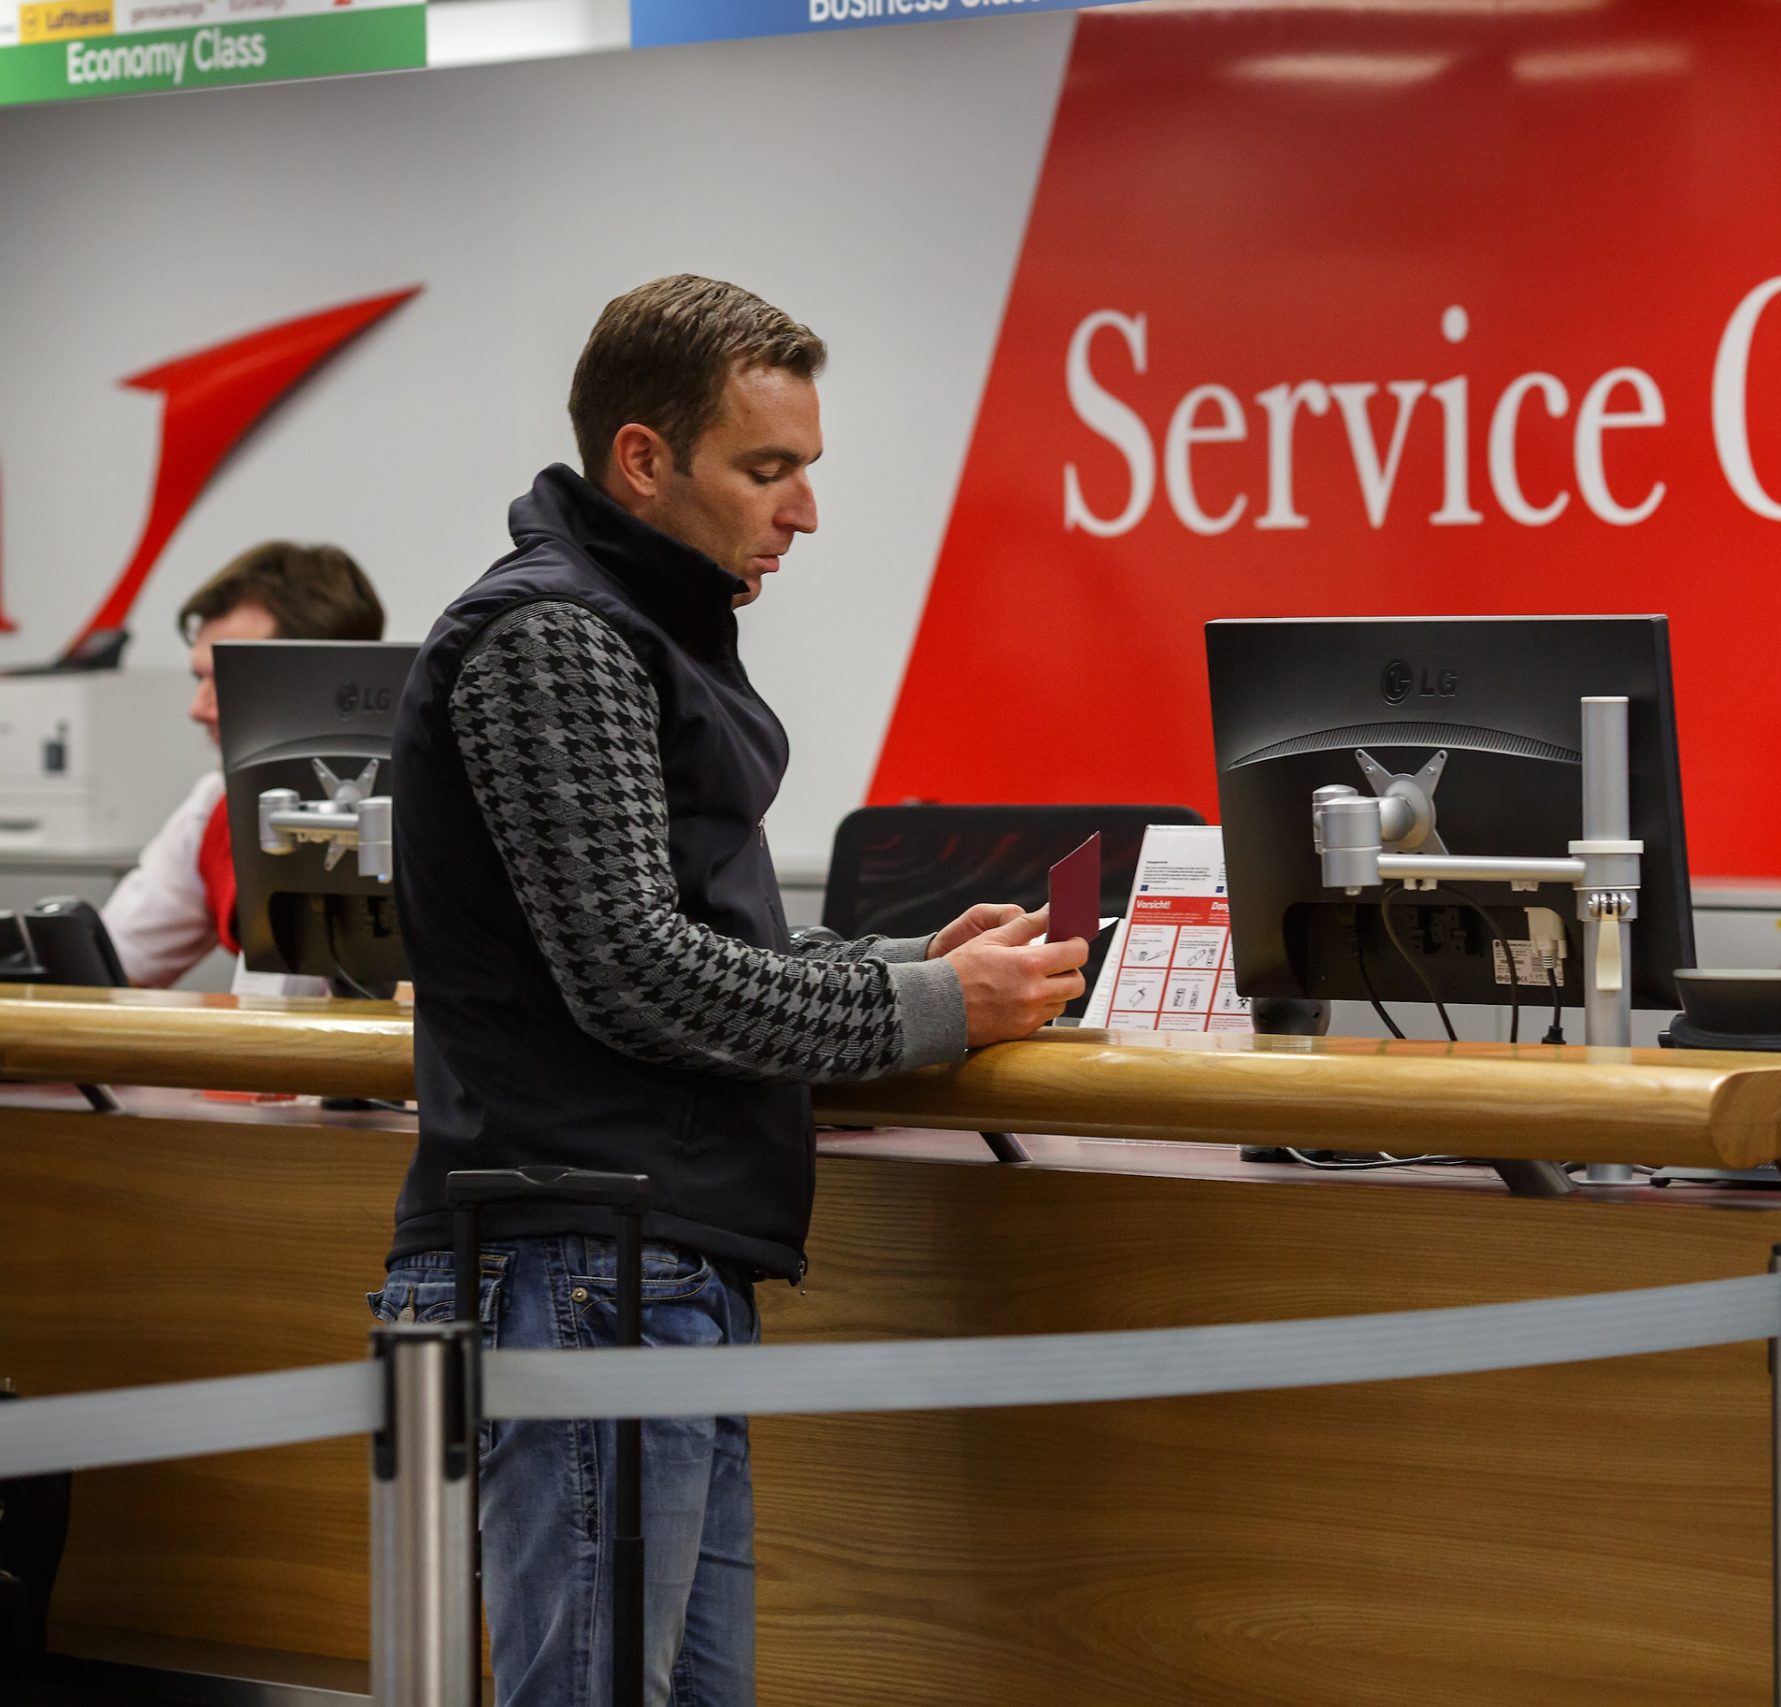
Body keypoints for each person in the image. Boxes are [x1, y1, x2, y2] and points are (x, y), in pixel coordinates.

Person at [374, 274, 1085, 1706]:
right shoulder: (557, 635)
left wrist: (904, 968)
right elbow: (637, 972)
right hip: (580, 1266)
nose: (804, 510)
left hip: (643, 1264)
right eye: (770, 469)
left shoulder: (642, 630)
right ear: (644, 460)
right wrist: (931, 1015)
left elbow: (691, 935)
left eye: (805, 468)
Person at [101, 541, 385, 988]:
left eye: (226, 677)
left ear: (327, 680)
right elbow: (113, 967)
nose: (198, 708)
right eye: (200, 678)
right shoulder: (215, 807)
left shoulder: (440, 812)